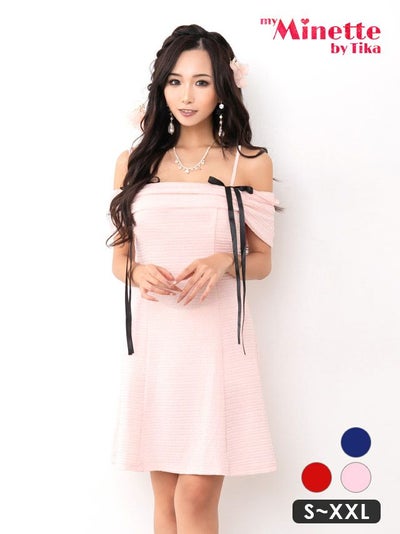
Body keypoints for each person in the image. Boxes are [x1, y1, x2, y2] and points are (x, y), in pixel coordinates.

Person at [107, 23, 280, 534]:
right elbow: (119, 261)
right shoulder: (134, 162)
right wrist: (139, 271)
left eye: (201, 82)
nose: (186, 96)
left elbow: (263, 262)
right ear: (161, 87)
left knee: (195, 493)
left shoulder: (249, 163)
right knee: (164, 499)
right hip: (158, 344)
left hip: (216, 346)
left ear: (223, 88)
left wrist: (224, 260)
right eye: (175, 81)